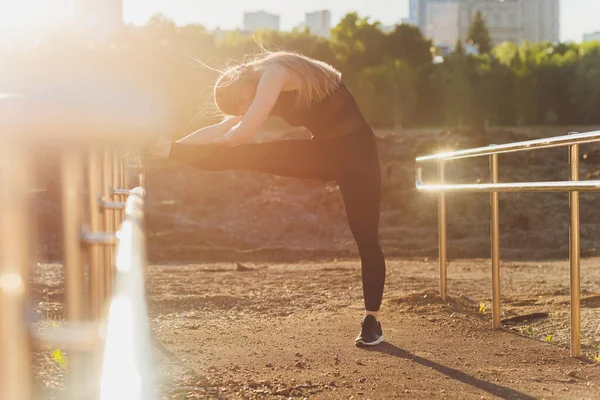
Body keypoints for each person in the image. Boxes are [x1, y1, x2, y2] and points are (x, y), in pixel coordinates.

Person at [150, 50, 386, 347]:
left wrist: (226, 144)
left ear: (245, 89)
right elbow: (222, 128)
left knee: (366, 236)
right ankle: (164, 150)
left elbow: (242, 132)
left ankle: (372, 320)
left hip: (359, 155)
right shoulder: (254, 85)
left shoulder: (275, 74)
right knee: (241, 156)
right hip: (322, 152)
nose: (246, 108)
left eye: (244, 103)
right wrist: (171, 147)